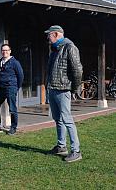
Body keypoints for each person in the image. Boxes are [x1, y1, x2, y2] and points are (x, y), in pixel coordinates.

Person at [45, 25, 83, 162]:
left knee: (67, 119)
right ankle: (61, 146)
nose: (47, 38)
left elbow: (78, 70)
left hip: (63, 90)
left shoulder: (70, 47)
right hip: (53, 89)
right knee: (58, 119)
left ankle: (76, 150)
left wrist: (73, 89)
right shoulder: (54, 49)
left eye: (49, 35)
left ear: (56, 34)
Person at [0, 44, 23, 135]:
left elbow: (20, 76)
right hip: (1, 88)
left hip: (10, 88)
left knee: (12, 108)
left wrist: (16, 87)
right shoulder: (0, 61)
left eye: (6, 50)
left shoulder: (15, 62)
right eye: (3, 50)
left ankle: (13, 127)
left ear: (10, 51)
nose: (5, 52)